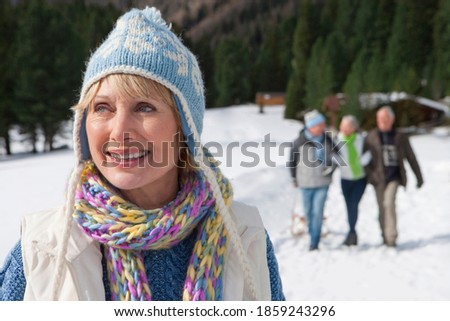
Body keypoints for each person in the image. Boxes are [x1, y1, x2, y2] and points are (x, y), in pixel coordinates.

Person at [0, 7, 284, 301]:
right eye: (102, 108)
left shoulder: (245, 237)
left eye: (144, 107)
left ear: (184, 128)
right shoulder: (42, 251)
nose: (119, 130)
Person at [363, 106, 424, 247]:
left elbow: (411, 158)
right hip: (378, 179)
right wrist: (370, 175)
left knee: (388, 204)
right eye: (380, 119)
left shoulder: (400, 137)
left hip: (394, 177)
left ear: (392, 120)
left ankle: (391, 238)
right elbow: (363, 160)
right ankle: (384, 235)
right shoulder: (371, 137)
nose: (382, 122)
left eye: (385, 119)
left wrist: (419, 177)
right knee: (381, 208)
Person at [289, 110, 335, 251]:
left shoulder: (328, 140)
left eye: (323, 124)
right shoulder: (299, 142)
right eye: (319, 124)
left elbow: (338, 156)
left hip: (323, 181)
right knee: (308, 212)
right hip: (305, 182)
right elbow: (292, 161)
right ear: (310, 126)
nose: (322, 127)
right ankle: (312, 232)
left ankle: (314, 241)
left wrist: (331, 167)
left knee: (318, 211)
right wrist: (294, 178)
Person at [337, 115, 368, 246]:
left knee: (353, 204)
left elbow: (371, 151)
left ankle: (352, 232)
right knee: (348, 206)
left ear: (354, 127)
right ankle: (351, 232)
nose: (343, 128)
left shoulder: (362, 140)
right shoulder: (336, 140)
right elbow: (331, 155)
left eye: (347, 126)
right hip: (345, 179)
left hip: (360, 179)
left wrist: (367, 158)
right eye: (342, 125)